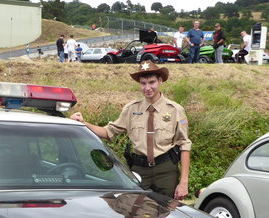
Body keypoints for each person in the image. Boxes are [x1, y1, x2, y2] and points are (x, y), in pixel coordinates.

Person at [69, 62, 191, 200]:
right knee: (133, 208)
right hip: (139, 170)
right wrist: (83, 123)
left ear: (160, 81)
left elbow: (184, 145)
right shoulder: (131, 109)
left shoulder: (175, 110)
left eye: (151, 82)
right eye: (143, 83)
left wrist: (183, 182)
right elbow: (108, 132)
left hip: (165, 170)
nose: (147, 88)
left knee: (167, 209)